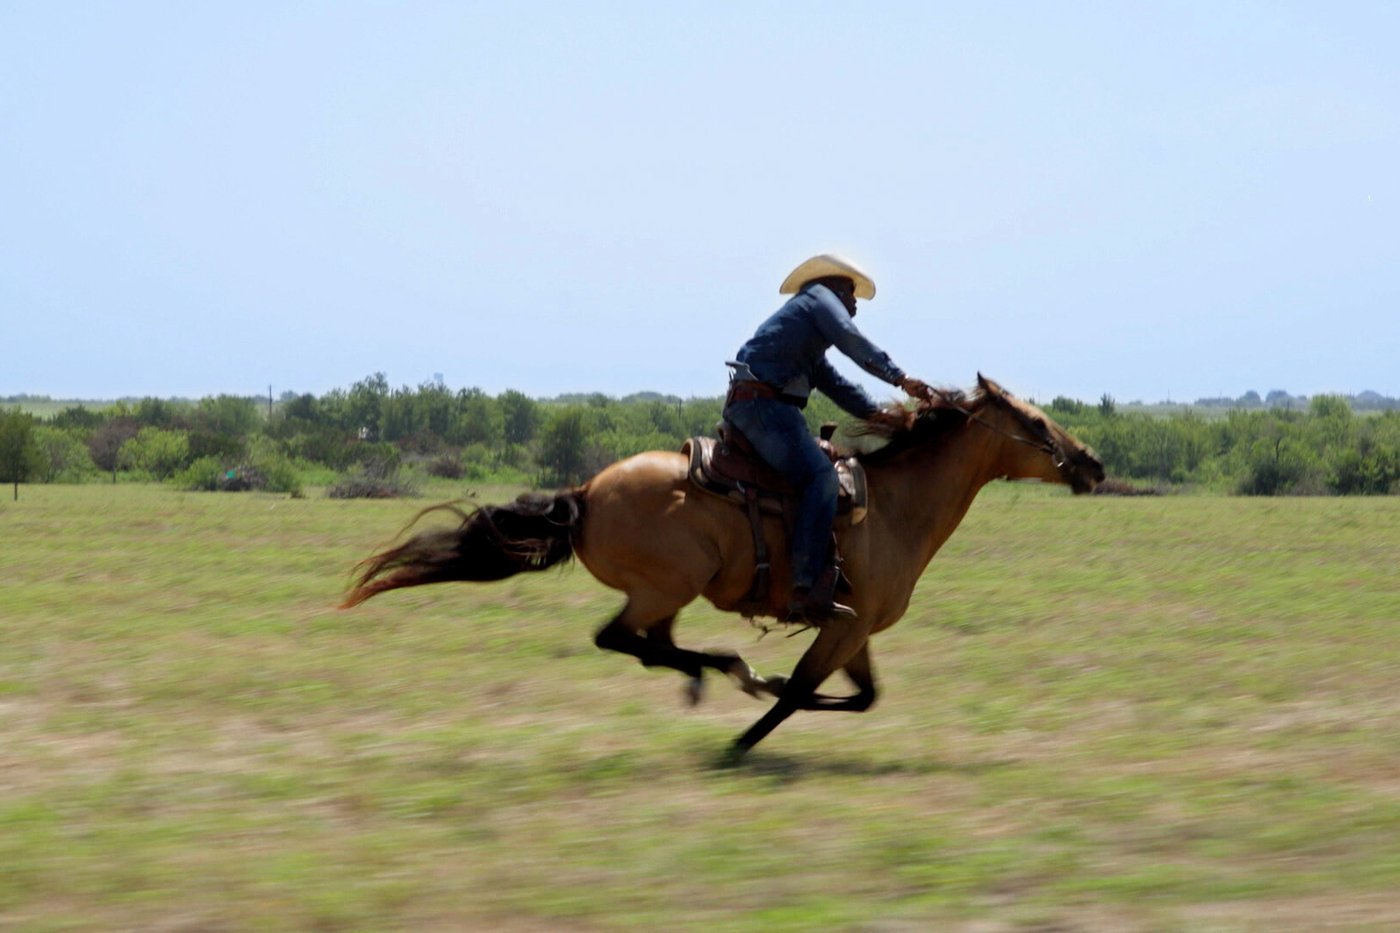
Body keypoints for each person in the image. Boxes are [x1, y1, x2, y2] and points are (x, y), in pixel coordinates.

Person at [723, 253, 934, 624]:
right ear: (834, 288)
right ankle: (803, 585)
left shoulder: (803, 334)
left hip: (758, 406)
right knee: (821, 477)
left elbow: (831, 380)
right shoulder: (819, 300)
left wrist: (875, 413)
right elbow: (851, 339)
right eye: (851, 295)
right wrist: (899, 378)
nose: (854, 305)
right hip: (765, 408)